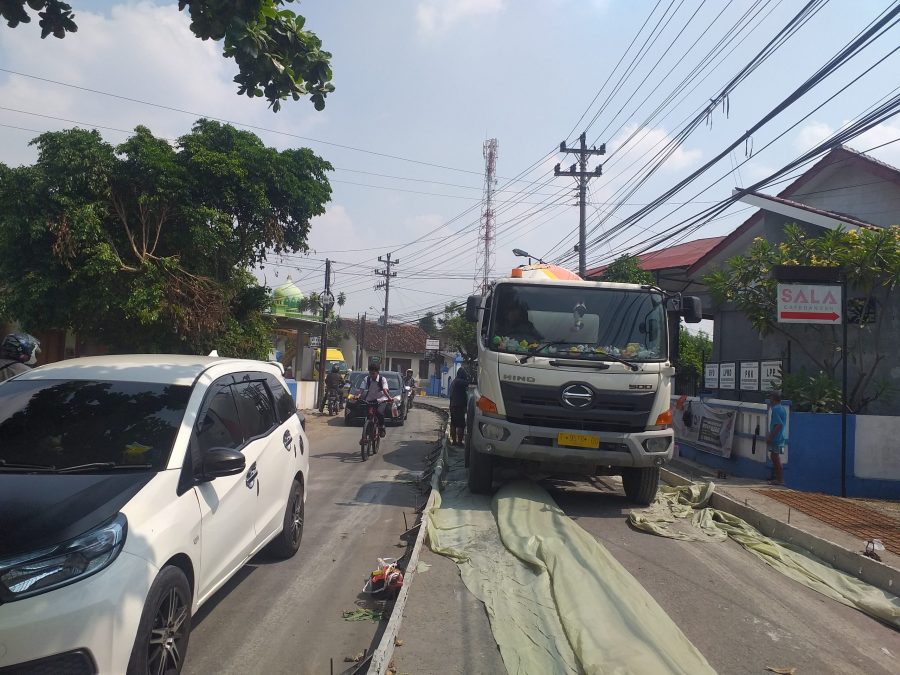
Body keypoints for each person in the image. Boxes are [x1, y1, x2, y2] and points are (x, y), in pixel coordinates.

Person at [355, 362, 391, 437]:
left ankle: (382, 427)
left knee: (379, 412)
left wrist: (389, 398)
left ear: (377, 373)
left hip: (381, 400)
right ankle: (365, 436)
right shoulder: (367, 379)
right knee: (368, 415)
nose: (372, 375)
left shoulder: (382, 379)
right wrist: (358, 396)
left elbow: (385, 390)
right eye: (370, 373)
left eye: (373, 373)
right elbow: (361, 389)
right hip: (370, 399)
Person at [766, 390, 787, 485]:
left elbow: (778, 425)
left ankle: (780, 480)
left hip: (777, 438)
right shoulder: (782, 408)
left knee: (775, 457)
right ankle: (779, 479)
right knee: (774, 457)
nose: (769, 399)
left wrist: (770, 436)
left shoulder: (776, 409)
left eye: (770, 397)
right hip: (779, 436)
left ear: (773, 398)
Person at [448, 367, 469, 446]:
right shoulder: (459, 382)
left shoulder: (454, 381)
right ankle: (459, 442)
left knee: (453, 423)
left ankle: (454, 441)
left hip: (453, 405)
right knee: (461, 425)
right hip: (459, 406)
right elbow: (467, 383)